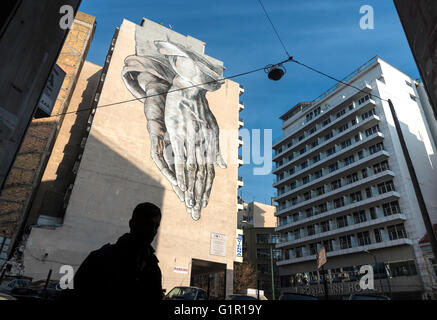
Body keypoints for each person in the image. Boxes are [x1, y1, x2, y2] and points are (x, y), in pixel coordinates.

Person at [72, 202, 163, 300]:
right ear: (132, 224)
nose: (153, 231)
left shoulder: (152, 267)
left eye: (156, 227)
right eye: (148, 224)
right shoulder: (101, 258)